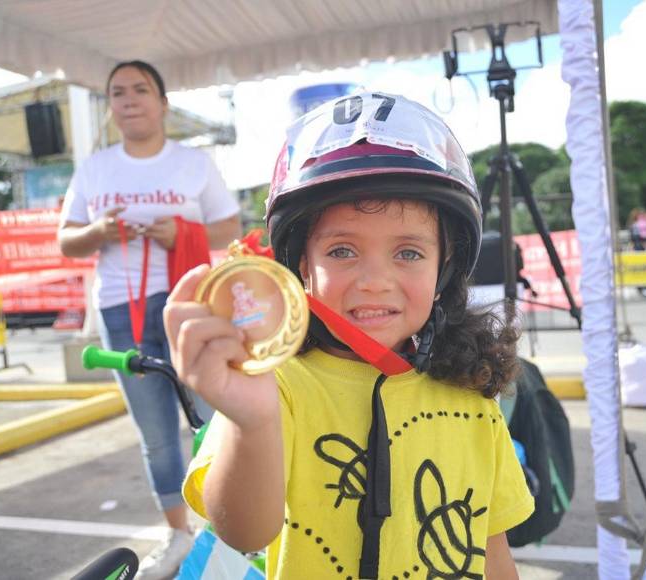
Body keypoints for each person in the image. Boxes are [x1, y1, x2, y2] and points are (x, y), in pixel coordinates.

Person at [166, 93, 534, 579]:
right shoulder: (278, 386)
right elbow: (244, 532)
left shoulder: (472, 397)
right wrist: (251, 423)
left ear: (445, 266)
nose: (375, 280)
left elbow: (493, 550)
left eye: (408, 253)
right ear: (301, 265)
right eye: (342, 251)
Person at [57, 60, 241, 578]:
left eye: (141, 89)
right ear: (111, 107)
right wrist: (99, 231)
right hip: (122, 309)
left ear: (162, 102)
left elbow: (228, 226)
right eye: (118, 92)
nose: (130, 99)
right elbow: (66, 240)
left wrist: (180, 231)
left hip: (192, 303)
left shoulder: (194, 163)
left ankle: (228, 528)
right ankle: (179, 536)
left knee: (214, 418)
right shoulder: (95, 168)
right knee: (157, 434)